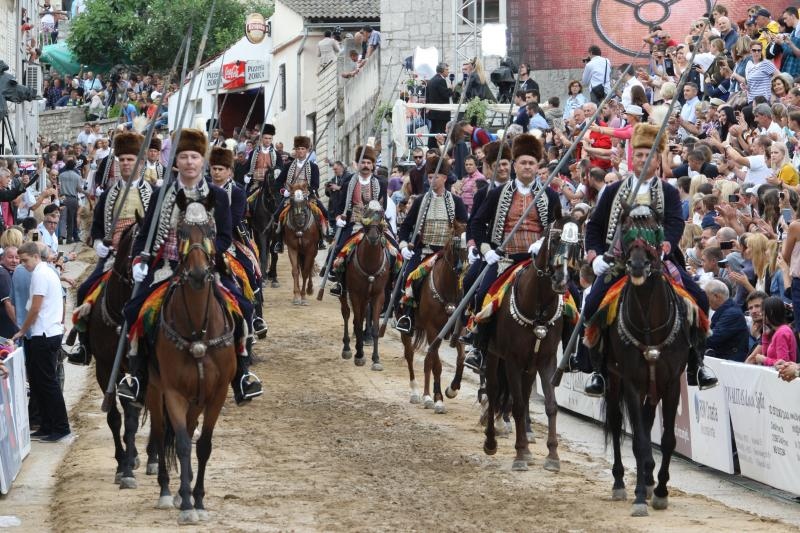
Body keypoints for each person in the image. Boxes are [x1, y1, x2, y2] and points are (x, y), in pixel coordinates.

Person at [119, 128, 261, 406]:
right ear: (176, 161)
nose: (189, 162)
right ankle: (136, 376)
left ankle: (243, 375)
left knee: (243, 307)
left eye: (194, 156)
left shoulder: (218, 196)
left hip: (208, 268)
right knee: (133, 311)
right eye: (183, 156)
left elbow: (223, 236)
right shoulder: (162, 193)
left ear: (202, 160)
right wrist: (139, 260)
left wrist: (205, 256)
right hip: (168, 267)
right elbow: (146, 233)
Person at [582, 123, 717, 395]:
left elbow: (675, 222)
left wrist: (666, 244)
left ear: (658, 159)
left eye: (650, 155)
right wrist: (595, 254)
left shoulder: (667, 192)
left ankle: (696, 364)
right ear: (633, 158)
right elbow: (595, 226)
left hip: (658, 261)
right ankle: (597, 371)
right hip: (618, 262)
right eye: (639, 155)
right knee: (592, 304)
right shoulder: (612, 190)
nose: (644, 159)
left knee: (699, 300)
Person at [463, 134, 561, 371]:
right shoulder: (496, 194)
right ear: (515, 164)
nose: (527, 167)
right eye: (523, 162)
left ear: (538, 166)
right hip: (505, 260)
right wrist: (486, 251)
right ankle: (479, 345)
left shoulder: (549, 195)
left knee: (572, 298)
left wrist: (546, 241)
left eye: (532, 163)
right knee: (482, 292)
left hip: (537, 262)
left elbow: (558, 225)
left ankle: (569, 356)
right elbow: (476, 224)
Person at [67, 131, 155, 365]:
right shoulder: (107, 194)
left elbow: (161, 228)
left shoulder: (154, 193)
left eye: (131, 159)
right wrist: (97, 243)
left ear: (140, 162)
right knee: (85, 289)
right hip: (114, 257)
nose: (126, 164)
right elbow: (96, 227)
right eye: (122, 160)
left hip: (145, 259)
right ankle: (84, 345)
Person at [395, 155, 467, 334]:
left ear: (444, 178)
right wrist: (404, 246)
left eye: (436, 176)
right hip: (424, 252)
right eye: (429, 177)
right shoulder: (420, 201)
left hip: (448, 254)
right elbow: (405, 228)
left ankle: (465, 321)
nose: (432, 180)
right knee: (407, 277)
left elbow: (465, 228)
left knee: (466, 282)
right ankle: (407, 316)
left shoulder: (456, 202)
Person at [12, 242, 70, 442]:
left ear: (35, 256)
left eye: (25, 260)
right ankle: (46, 424)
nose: (23, 264)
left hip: (43, 334)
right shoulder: (44, 272)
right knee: (38, 383)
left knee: (47, 383)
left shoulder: (39, 274)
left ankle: (60, 426)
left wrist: (22, 330)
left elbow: (35, 309)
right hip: (44, 333)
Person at [328, 145, 387, 296]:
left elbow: (383, 206)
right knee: (338, 248)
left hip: (375, 224)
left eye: (368, 163)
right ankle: (340, 282)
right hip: (354, 223)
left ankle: (390, 285)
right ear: (358, 164)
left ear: (373, 165)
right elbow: (339, 206)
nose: (366, 166)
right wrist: (339, 218)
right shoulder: (349, 183)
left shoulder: (380, 182)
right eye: (363, 163)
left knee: (394, 251)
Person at [272, 135, 326, 253]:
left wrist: (309, 192)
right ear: (295, 151)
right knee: (277, 215)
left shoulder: (313, 167)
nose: (300, 151)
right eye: (298, 149)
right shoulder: (287, 166)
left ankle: (321, 239)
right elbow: (277, 184)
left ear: (307, 150)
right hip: (291, 197)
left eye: (303, 149)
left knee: (322, 212)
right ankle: (279, 242)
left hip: (308, 196)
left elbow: (315, 185)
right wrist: (284, 191)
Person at [704, 279, 749, 362]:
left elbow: (713, 338)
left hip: (731, 364)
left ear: (716, 296)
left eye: (706, 297)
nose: (705, 301)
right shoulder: (727, 310)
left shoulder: (732, 314)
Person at [746, 296, 797, 366]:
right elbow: (766, 354)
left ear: (771, 312)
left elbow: (783, 363)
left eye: (763, 311)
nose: (761, 314)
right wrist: (765, 337)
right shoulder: (777, 331)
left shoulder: (782, 332)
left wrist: (764, 359)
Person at [426, 63, 453, 150]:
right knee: (440, 132)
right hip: (441, 113)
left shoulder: (431, 80)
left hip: (433, 112)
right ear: (442, 70)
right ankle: (440, 150)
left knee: (433, 131)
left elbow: (428, 96)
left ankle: (431, 149)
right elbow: (445, 94)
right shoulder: (441, 80)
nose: (448, 72)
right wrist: (451, 90)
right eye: (447, 70)